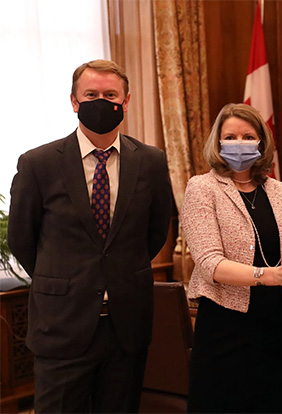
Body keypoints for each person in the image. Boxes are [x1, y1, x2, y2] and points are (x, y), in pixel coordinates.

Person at [7, 59, 173, 412]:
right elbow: (22, 237)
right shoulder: (38, 163)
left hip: (126, 325)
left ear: (126, 102)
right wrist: (65, 278)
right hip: (62, 325)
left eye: (110, 94)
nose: (102, 101)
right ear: (73, 101)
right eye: (91, 94)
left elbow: (157, 230)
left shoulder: (151, 161)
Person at [180, 103, 282, 413]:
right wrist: (268, 276)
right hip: (228, 325)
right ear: (217, 143)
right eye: (230, 137)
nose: (238, 143)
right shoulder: (202, 188)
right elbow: (209, 263)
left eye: (247, 136)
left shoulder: (281, 191)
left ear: (262, 142)